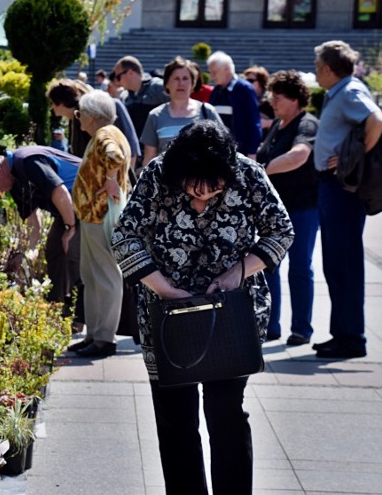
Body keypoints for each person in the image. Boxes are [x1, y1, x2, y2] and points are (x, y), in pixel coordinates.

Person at [112, 120, 293, 495]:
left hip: (230, 314)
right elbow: (124, 235)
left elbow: (281, 230)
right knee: (175, 418)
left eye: (214, 190)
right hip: (166, 314)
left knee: (227, 413)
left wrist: (236, 273)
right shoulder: (157, 174)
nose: (202, 198)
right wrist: (165, 288)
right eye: (193, 189)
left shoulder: (248, 173)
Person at [312, 40, 382, 359]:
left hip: (340, 189)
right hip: (334, 188)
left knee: (344, 264)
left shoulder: (349, 91)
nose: (316, 72)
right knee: (337, 264)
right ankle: (343, 332)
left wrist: (351, 159)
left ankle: (351, 337)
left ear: (329, 68)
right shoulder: (341, 91)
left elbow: (378, 120)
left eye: (317, 66)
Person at [0, 147, 83, 328]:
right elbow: (34, 226)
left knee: (73, 253)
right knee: (54, 251)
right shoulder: (14, 184)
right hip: (68, 208)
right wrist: (25, 255)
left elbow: (61, 192)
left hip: (87, 200)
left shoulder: (28, 162)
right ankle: (57, 311)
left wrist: (70, 229)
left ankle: (78, 317)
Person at [256, 71, 320, 346]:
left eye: (278, 97)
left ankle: (301, 329)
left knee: (300, 268)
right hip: (275, 211)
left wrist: (262, 170)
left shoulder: (306, 124)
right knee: (269, 265)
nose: (273, 102)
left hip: (303, 207)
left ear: (295, 99)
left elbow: (299, 156)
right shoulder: (278, 124)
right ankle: (271, 326)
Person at [69, 91, 131, 358]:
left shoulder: (105, 134)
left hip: (99, 215)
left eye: (80, 112)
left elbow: (114, 157)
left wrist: (111, 177)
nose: (78, 117)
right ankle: (94, 335)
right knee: (93, 276)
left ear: (91, 115)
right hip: (93, 215)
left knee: (103, 275)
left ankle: (104, 338)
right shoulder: (108, 131)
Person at [140, 57, 223, 167]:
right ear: (167, 83)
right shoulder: (155, 116)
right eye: (176, 78)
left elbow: (222, 150)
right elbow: (149, 158)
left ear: (193, 83)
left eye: (185, 78)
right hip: (167, 181)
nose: (181, 83)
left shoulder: (207, 112)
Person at [48, 78, 141, 167]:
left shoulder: (113, 105)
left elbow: (131, 144)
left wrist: (126, 178)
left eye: (52, 102)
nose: (51, 107)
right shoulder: (74, 121)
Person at [207, 51, 263, 158]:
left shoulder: (244, 89)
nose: (212, 76)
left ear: (227, 69)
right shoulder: (216, 91)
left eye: (214, 72)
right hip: (218, 153)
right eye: (210, 72)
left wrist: (252, 152)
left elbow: (254, 122)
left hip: (240, 153)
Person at [112, 55, 170, 139]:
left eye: (118, 77)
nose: (117, 81)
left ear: (130, 73)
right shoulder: (124, 97)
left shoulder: (158, 88)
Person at [243, 65, 276, 135]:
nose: (246, 84)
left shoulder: (271, 101)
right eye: (245, 81)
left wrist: (267, 123)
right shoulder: (244, 100)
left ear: (261, 82)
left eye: (250, 81)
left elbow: (283, 122)